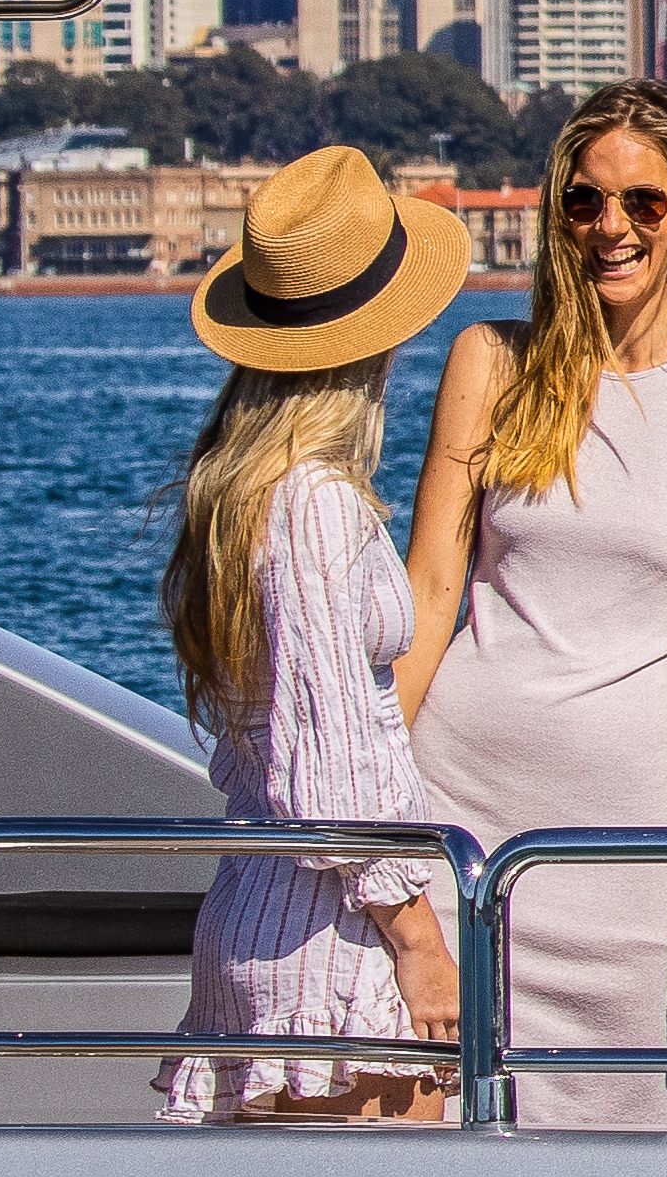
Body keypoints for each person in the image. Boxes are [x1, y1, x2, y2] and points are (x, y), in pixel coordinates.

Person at [407, 86, 667, 1131]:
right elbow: (429, 597)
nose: (610, 226)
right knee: (425, 1142)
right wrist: (363, 818)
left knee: (628, 1152)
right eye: (583, 202)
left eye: (642, 201)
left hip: (630, 843)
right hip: (457, 815)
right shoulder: (492, 361)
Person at [148, 146, 480, 1122]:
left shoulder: (244, 494)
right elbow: (329, 766)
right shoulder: (316, 507)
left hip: (269, 908)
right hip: (330, 935)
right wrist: (419, 942)